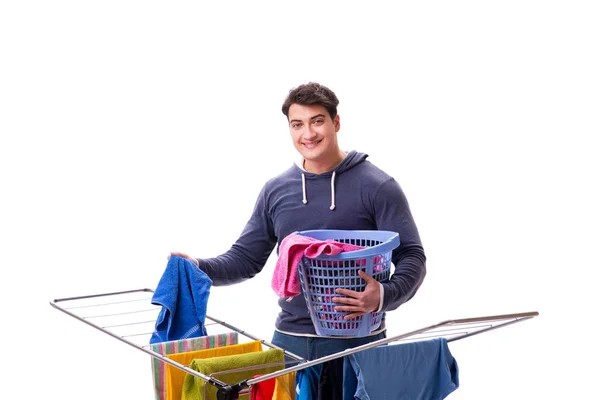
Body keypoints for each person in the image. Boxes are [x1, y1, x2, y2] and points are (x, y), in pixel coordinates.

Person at [171, 82, 426, 361]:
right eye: (297, 124)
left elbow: (412, 256)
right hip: (289, 343)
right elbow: (245, 259)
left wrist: (384, 295)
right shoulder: (276, 190)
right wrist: (198, 268)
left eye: (317, 122)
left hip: (360, 343)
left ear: (336, 122)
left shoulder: (378, 186)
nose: (308, 134)